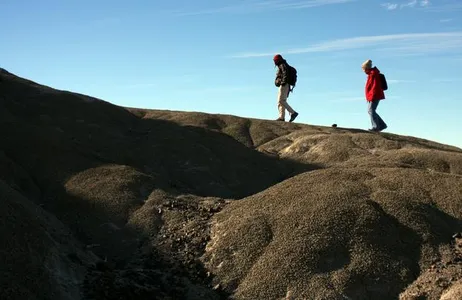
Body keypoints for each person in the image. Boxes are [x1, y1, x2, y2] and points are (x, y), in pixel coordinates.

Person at [362, 59, 387, 132]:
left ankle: (376, 127)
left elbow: (374, 86)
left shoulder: (373, 74)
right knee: (371, 110)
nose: (363, 71)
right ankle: (381, 125)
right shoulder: (372, 74)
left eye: (363, 69)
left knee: (371, 110)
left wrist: (371, 96)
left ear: (366, 68)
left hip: (375, 95)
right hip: (374, 95)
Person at [274, 54, 298, 122]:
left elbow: (285, 73)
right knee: (280, 101)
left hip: (284, 85)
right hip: (286, 85)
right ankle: (281, 117)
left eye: (275, 60)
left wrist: (283, 82)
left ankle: (293, 113)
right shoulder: (283, 64)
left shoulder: (282, 65)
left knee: (281, 101)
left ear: (277, 60)